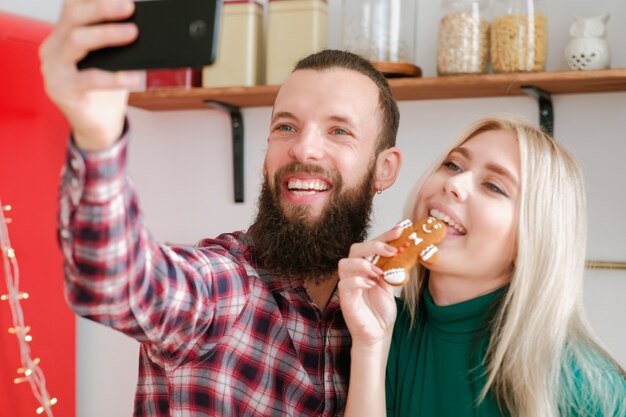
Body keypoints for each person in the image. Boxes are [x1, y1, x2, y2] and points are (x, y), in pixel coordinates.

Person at [39, 1, 402, 415]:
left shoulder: (383, 312)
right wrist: (96, 134)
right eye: (286, 126)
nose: (303, 147)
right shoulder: (224, 288)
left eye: (339, 130)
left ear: (384, 169)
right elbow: (117, 280)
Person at [338, 116, 626, 417]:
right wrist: (371, 345)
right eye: (453, 165)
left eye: (493, 186)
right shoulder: (387, 331)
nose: (454, 184)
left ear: (533, 237)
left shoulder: (587, 385)